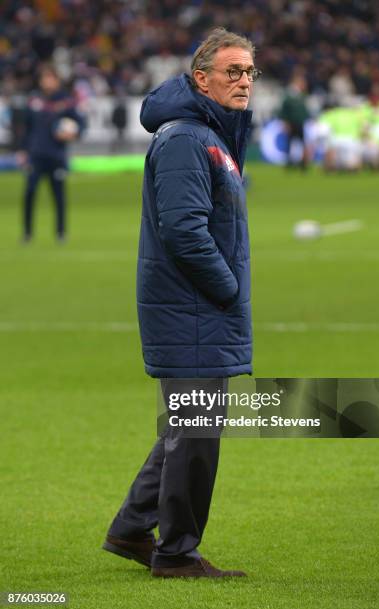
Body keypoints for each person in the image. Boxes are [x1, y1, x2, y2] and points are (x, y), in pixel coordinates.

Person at [103, 28, 258, 578]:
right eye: (232, 72)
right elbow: (185, 231)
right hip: (192, 309)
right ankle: (176, 554)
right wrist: (228, 288)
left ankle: (130, 528)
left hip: (195, 310)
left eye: (249, 72)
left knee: (184, 424)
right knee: (195, 436)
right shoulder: (188, 139)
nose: (244, 82)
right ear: (202, 78)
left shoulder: (209, 134)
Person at [19, 65, 85, 243]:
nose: (47, 82)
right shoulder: (34, 101)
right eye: (44, 78)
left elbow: (81, 124)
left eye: (50, 78)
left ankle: (61, 233)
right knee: (30, 192)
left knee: (59, 196)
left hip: (56, 156)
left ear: (56, 80)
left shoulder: (66, 101)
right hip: (36, 155)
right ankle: (27, 233)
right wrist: (23, 150)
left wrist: (72, 133)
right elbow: (26, 128)